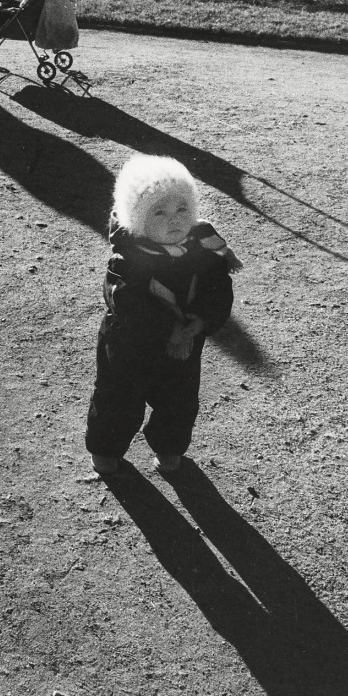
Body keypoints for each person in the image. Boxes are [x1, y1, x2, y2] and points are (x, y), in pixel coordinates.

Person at [85, 153, 241, 477]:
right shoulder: (128, 260)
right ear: (138, 219)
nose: (174, 220)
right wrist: (170, 329)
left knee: (179, 403)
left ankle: (168, 447)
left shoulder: (203, 250)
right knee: (118, 400)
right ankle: (105, 449)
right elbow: (127, 303)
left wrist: (204, 319)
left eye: (182, 209)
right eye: (159, 212)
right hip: (131, 346)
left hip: (183, 346)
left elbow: (219, 289)